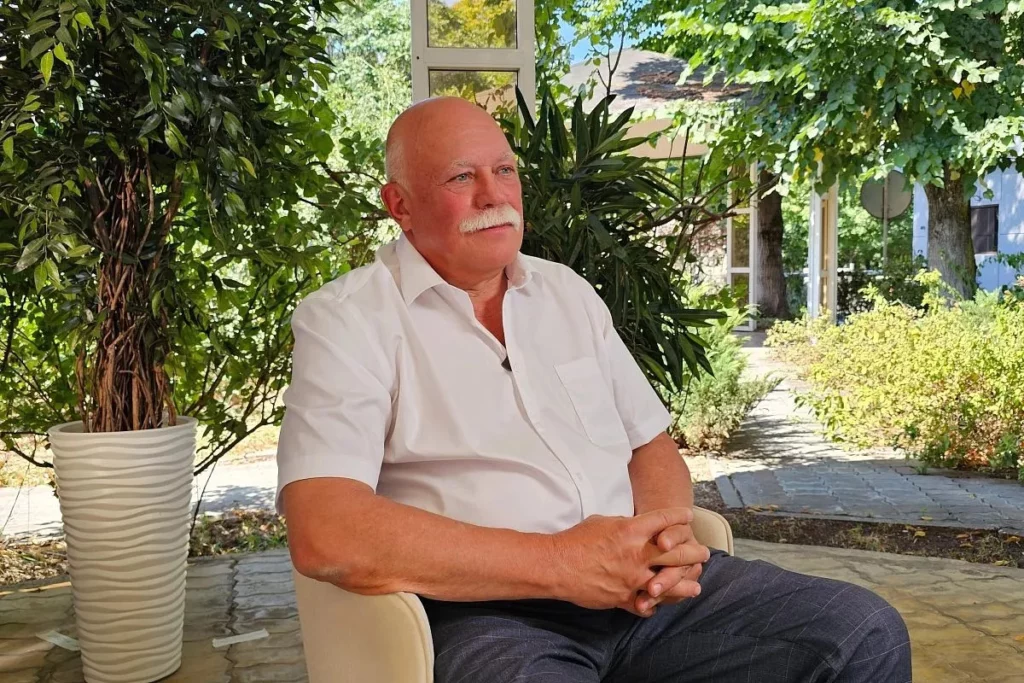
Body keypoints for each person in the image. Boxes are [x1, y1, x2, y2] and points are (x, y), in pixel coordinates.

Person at [275, 96, 912, 682]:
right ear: (401, 205)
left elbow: (649, 446)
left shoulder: (567, 294)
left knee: (862, 633)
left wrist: (663, 545)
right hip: (489, 613)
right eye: (461, 177)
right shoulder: (348, 321)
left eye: (505, 171)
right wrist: (562, 565)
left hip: (639, 596)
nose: (494, 196)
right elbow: (327, 529)